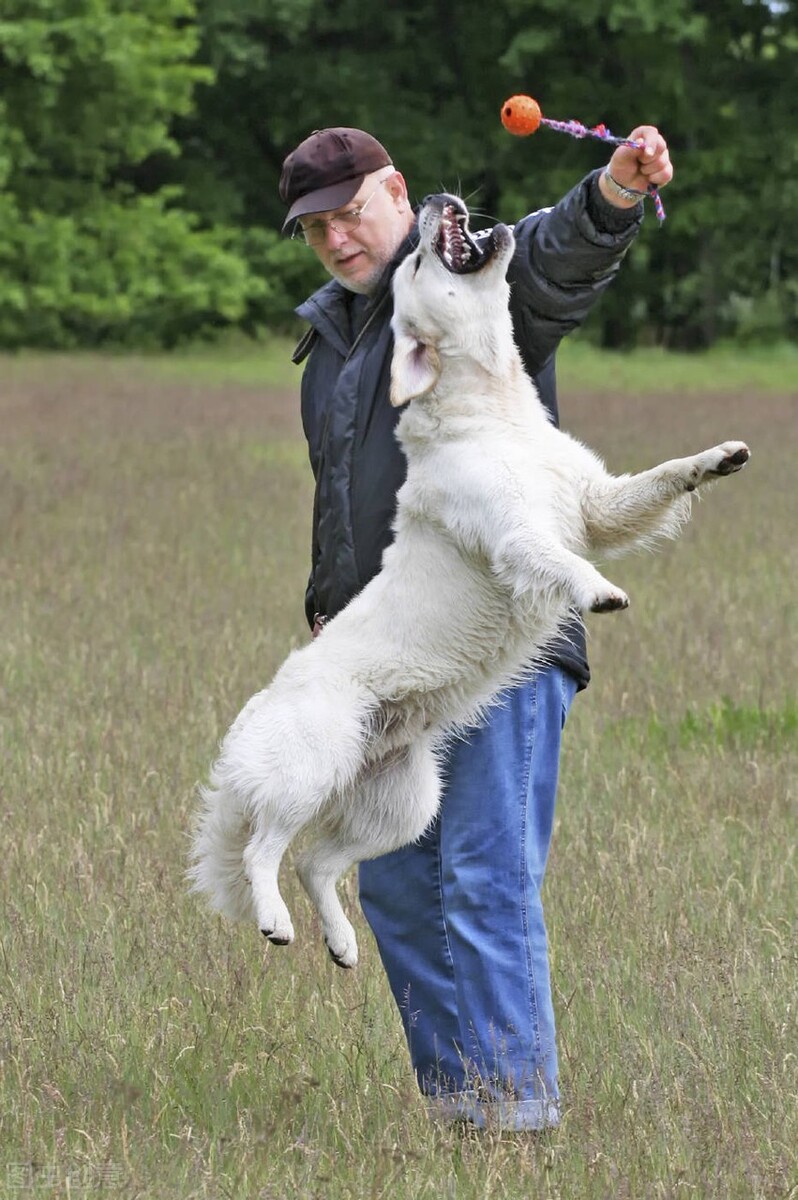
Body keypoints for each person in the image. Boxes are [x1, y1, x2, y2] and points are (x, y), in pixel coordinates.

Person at [278, 124, 673, 1131]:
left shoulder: (468, 277)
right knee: (399, 892)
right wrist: (327, 614)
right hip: (389, 660)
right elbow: (346, 504)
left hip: (501, 642)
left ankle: (520, 1123)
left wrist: (613, 194)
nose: (335, 239)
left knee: (485, 881)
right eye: (315, 227)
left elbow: (555, 260)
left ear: (396, 193)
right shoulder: (329, 342)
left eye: (349, 214)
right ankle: (466, 1116)